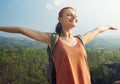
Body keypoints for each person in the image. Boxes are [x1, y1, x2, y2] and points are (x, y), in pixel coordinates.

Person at [0, 7, 117, 84]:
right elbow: (21, 30)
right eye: (69, 15)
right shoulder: (53, 39)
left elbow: (97, 30)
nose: (74, 17)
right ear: (60, 18)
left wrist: (108, 27)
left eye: (75, 15)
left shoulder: (81, 40)